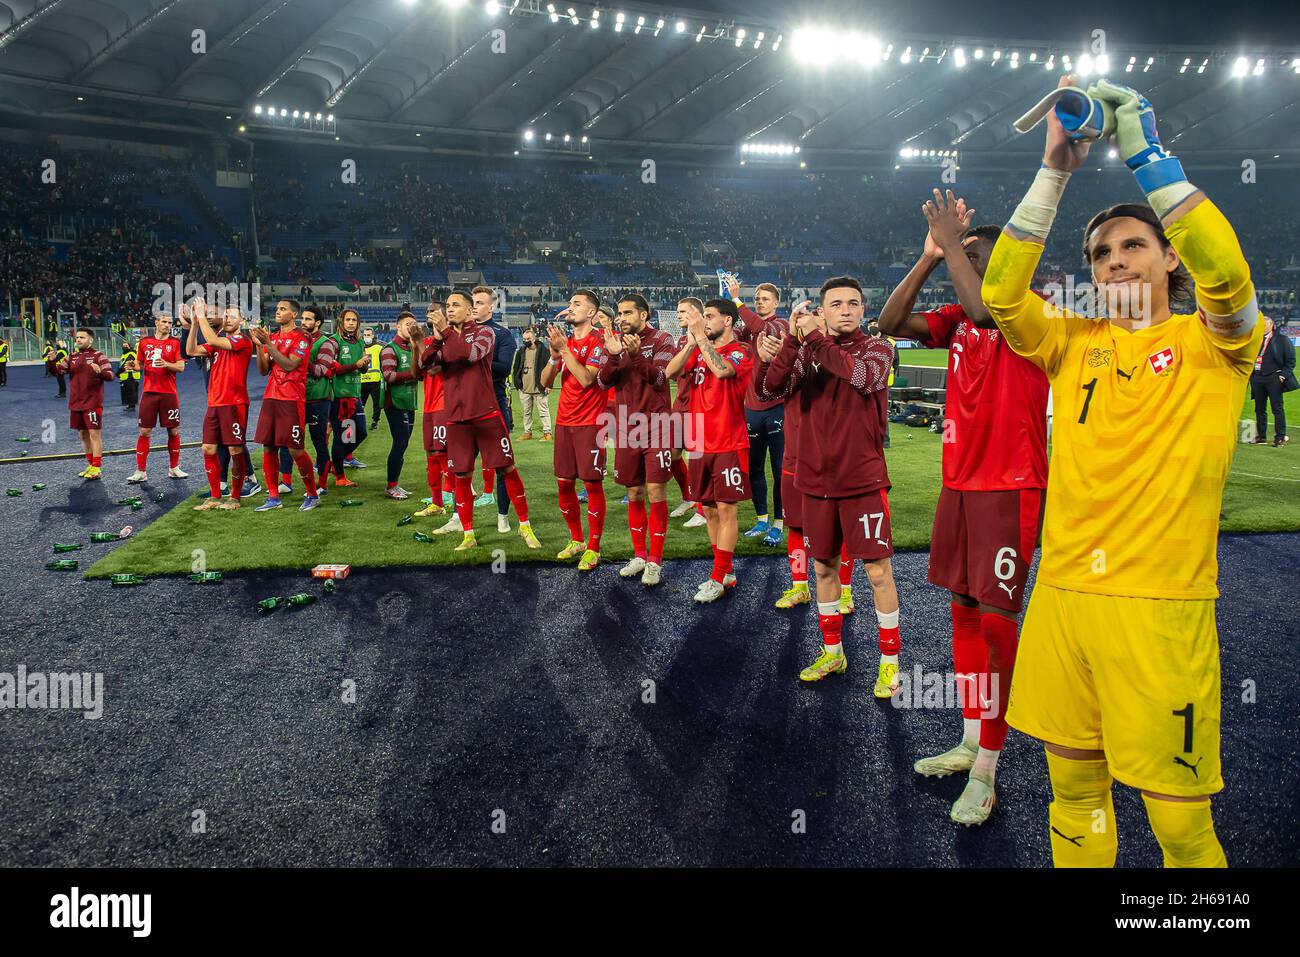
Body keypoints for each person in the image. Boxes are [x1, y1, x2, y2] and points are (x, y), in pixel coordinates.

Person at [982, 76, 1263, 867]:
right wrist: (1057, 166)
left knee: (1180, 830)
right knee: (1074, 799)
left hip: (1159, 612)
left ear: (1170, 256)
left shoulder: (1218, 343)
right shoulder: (1070, 342)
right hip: (1066, 598)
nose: (1113, 261)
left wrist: (1143, 154)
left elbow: (1229, 277)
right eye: (1100, 253)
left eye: (1133, 245)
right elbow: (1002, 292)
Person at [878, 191, 1050, 826]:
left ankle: (988, 771)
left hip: (1011, 486)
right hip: (962, 485)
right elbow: (890, 324)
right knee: (966, 621)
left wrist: (953, 242)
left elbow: (985, 304)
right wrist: (929, 255)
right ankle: (974, 738)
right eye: (964, 256)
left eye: (977, 257)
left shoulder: (1027, 311)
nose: (966, 265)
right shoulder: (958, 315)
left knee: (999, 633)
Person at [756, 279, 904, 695]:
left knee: (877, 571)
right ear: (822, 310)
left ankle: (890, 663)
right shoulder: (808, 352)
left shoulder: (878, 348)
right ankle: (832, 652)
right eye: (835, 303)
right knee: (822, 568)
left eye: (853, 303)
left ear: (862, 310)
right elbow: (769, 389)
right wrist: (782, 346)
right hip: (815, 482)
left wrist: (814, 337)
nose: (845, 310)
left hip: (862, 481)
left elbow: (860, 376)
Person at [424, 291, 541, 551]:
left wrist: (446, 335)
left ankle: (524, 526)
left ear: (469, 312)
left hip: (486, 414)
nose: (450, 309)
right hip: (456, 418)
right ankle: (468, 533)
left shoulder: (486, 334)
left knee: (507, 468)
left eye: (456, 305)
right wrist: (434, 339)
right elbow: (427, 365)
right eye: (448, 306)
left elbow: (469, 355)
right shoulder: (445, 338)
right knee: (462, 476)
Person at [666, 298, 753, 603]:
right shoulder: (700, 349)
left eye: (710, 317)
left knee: (727, 509)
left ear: (728, 321)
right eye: (704, 317)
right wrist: (691, 344)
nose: (705, 321)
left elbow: (724, 372)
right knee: (710, 509)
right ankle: (725, 571)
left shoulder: (741, 351)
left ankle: (717, 576)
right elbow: (669, 372)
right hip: (700, 443)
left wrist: (700, 337)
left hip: (728, 441)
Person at [597, 294, 678, 586]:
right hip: (627, 428)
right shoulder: (616, 342)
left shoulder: (663, 339)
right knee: (633, 493)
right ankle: (640, 555)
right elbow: (603, 382)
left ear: (644, 315)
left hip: (657, 425)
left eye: (628, 312)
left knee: (655, 491)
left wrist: (635, 356)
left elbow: (659, 379)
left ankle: (655, 562)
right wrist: (614, 355)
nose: (622, 318)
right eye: (620, 313)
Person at [541, 290, 610, 571]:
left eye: (576, 304)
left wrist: (566, 350)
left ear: (591, 312)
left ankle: (594, 547)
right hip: (564, 422)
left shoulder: (600, 341)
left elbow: (585, 380)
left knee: (592, 484)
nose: (570, 308)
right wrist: (554, 356)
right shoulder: (566, 342)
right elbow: (545, 382)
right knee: (564, 482)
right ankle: (576, 540)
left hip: (590, 423)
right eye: (570, 303)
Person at [723, 276, 787, 547]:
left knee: (780, 468)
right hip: (751, 408)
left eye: (765, 299)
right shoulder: (747, 330)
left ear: (776, 303)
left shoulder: (780, 325)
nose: (759, 302)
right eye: (757, 299)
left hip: (777, 406)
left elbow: (760, 326)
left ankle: (779, 523)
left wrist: (736, 299)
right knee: (754, 468)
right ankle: (762, 518)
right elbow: (730, 337)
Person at [251, 299, 320, 512]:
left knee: (295, 448)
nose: (278, 312)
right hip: (271, 396)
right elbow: (263, 370)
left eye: (283, 309)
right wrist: (259, 344)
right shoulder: (271, 338)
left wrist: (268, 345)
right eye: (277, 309)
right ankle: (273, 497)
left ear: (294, 315)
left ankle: (312, 494)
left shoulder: (302, 337)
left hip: (291, 398)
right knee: (269, 446)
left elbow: (290, 365)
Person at [186, 302, 254, 510]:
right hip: (214, 403)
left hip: (234, 403)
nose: (227, 319)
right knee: (208, 448)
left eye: (232, 316)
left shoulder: (242, 340)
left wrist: (202, 316)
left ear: (241, 321)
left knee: (235, 449)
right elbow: (191, 350)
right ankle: (215, 496)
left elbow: (213, 339)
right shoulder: (218, 342)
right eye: (225, 316)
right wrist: (195, 325)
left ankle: (234, 498)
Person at [475, 285, 519, 532]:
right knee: (461, 467)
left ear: (491, 307)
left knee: (503, 464)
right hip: (465, 407)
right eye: (473, 302)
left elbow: (504, 369)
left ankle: (503, 516)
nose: (475, 307)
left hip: (494, 405)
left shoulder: (502, 334)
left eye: (480, 303)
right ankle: (461, 519)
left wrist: (473, 357)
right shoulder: (460, 333)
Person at [127, 314, 187, 482]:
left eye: (169, 322)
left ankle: (174, 468)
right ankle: (141, 471)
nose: (167, 325)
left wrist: (167, 364)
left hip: (169, 393)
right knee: (144, 431)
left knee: (173, 430)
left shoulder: (175, 343)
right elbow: (139, 364)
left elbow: (181, 367)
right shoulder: (145, 343)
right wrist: (133, 366)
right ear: (157, 323)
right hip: (149, 392)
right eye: (164, 321)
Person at [56, 328, 113, 480]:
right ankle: (90, 465)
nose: (78, 340)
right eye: (77, 338)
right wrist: (50, 361)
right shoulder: (71, 356)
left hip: (92, 403)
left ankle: (96, 467)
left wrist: (100, 372)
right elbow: (59, 371)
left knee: (94, 434)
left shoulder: (98, 356)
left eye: (82, 337)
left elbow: (110, 376)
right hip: (75, 403)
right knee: (82, 434)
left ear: (90, 340)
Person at [379, 311, 422, 500]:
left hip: (409, 402)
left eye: (414, 324)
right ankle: (391, 486)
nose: (411, 327)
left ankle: (395, 483)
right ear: (398, 326)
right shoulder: (389, 348)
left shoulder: (413, 348)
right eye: (407, 324)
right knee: (400, 442)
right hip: (394, 403)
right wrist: (412, 374)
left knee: (403, 445)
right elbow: (388, 376)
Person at [415, 302, 451, 520]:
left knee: (442, 453)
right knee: (430, 453)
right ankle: (437, 502)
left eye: (434, 311)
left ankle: (456, 496)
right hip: (429, 404)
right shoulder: (428, 342)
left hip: (444, 404)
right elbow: (418, 372)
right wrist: (415, 343)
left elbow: (434, 368)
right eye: (428, 311)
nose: (429, 314)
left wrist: (419, 343)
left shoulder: (449, 341)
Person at [328, 308, 370, 481]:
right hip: (339, 397)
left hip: (355, 395)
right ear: (342, 322)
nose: (351, 323)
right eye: (348, 320)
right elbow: (334, 370)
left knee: (359, 433)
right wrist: (356, 364)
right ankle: (340, 477)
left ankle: (335, 464)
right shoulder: (334, 342)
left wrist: (365, 364)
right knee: (341, 437)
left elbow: (362, 369)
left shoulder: (360, 343)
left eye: (354, 320)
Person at [301, 305, 336, 489]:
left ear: (318, 322)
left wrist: (301, 355)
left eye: (308, 319)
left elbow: (321, 371)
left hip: (318, 400)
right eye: (303, 318)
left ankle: (322, 484)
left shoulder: (325, 343)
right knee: (289, 441)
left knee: (319, 442)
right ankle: (286, 482)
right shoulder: (298, 339)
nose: (303, 322)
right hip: (297, 398)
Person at [1250, 316, 1297, 446]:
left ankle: (1280, 436)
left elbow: (1291, 360)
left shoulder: (1282, 339)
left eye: (1265, 325)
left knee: (1277, 408)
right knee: (1259, 409)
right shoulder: (1255, 340)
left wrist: (1283, 375)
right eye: (1261, 325)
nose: (1262, 327)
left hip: (1273, 378)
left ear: (1271, 325)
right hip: (1257, 378)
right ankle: (1261, 436)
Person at [511, 326, 552, 441]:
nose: (526, 341)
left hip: (540, 388)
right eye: (524, 339)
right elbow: (516, 368)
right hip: (524, 388)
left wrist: (549, 384)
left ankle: (547, 433)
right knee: (526, 412)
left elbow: (550, 368)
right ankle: (527, 433)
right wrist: (518, 384)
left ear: (534, 338)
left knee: (543, 411)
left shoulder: (543, 351)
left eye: (528, 339)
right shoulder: (521, 351)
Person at [360, 326, 383, 430]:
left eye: (368, 335)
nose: (366, 337)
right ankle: (360, 421)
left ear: (373, 336)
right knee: (360, 404)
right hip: (362, 380)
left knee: (376, 404)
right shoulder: (360, 347)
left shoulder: (379, 348)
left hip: (375, 381)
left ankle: (375, 421)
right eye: (365, 335)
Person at [117, 338, 139, 410]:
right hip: (126, 375)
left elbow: (125, 365)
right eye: (124, 346)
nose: (125, 347)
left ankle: (132, 406)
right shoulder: (124, 354)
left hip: (131, 375)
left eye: (126, 345)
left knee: (131, 391)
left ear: (130, 347)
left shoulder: (131, 354)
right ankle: (130, 405)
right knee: (128, 391)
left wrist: (118, 373)